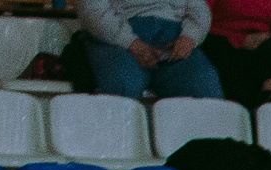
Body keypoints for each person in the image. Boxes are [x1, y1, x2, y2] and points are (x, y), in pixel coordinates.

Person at [77, 0, 222, 100]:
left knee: (205, 84)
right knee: (123, 84)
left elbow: (200, 10)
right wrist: (130, 42)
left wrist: (190, 37)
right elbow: (92, 10)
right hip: (119, 40)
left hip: (173, 42)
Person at [202, 0, 271, 106]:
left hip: (259, 45)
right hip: (219, 42)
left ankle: (267, 102)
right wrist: (241, 40)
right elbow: (196, 20)